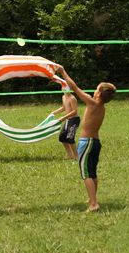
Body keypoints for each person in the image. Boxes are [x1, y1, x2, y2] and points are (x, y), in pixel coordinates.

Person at [57, 65, 116, 212]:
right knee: (92, 172)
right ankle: (92, 198)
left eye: (96, 89)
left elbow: (74, 88)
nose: (94, 91)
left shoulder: (92, 102)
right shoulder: (102, 107)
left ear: (99, 94)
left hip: (87, 143)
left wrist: (63, 71)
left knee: (86, 174)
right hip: (95, 143)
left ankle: (94, 204)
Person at [52, 90, 80, 160]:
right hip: (68, 120)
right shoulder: (64, 97)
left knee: (70, 138)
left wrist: (63, 118)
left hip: (74, 120)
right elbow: (64, 107)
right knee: (62, 137)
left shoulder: (72, 98)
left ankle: (76, 156)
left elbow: (74, 111)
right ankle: (70, 155)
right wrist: (54, 112)